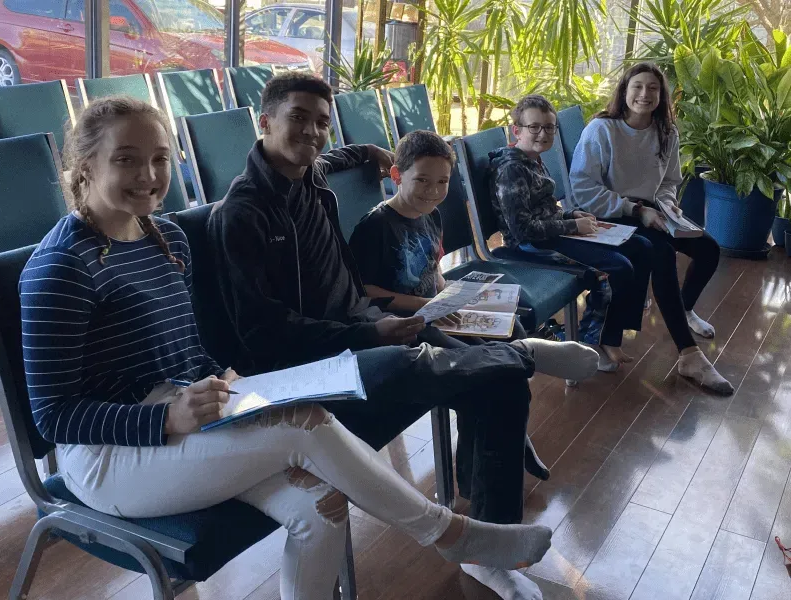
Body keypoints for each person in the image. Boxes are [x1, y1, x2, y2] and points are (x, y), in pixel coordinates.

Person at [19, 96, 556, 600]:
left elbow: (186, 352)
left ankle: (456, 533)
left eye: (161, 159)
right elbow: (53, 418)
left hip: (182, 412)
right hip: (111, 456)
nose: (150, 176)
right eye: (128, 160)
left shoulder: (167, 239)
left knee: (321, 506)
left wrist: (224, 381)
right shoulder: (62, 267)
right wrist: (164, 422)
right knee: (303, 420)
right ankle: (451, 534)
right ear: (85, 165)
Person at [207, 72, 599, 600]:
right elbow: (261, 335)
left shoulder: (311, 178)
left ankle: (488, 552)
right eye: (298, 118)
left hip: (358, 328)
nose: (313, 132)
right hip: (305, 366)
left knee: (502, 383)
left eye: (322, 121)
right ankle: (523, 349)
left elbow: (332, 154)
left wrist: (367, 151)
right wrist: (370, 330)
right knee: (429, 361)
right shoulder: (242, 214)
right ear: (265, 121)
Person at [569, 62, 733, 395]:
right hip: (609, 213)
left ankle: (683, 309)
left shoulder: (667, 131)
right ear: (624, 91)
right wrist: (635, 210)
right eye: (638, 87)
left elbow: (670, 181)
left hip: (653, 210)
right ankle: (689, 355)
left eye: (653, 88)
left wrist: (669, 204)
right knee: (661, 255)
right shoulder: (602, 130)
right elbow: (582, 188)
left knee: (708, 249)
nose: (645, 94)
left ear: (661, 95)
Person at [489, 95, 653, 372]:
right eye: (534, 127)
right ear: (516, 130)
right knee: (618, 266)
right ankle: (598, 341)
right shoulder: (512, 168)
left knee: (642, 246)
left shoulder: (532, 159)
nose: (543, 133)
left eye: (549, 127)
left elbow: (543, 210)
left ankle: (615, 328)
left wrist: (569, 215)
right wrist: (572, 226)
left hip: (552, 233)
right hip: (530, 246)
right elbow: (523, 230)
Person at [348, 129, 526, 342]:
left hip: (435, 306)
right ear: (396, 176)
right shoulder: (375, 225)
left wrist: (452, 294)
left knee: (513, 329)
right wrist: (426, 305)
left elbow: (433, 268)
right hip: (404, 321)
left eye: (442, 181)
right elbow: (364, 291)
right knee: (480, 351)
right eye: (422, 180)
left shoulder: (432, 214)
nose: (433, 191)